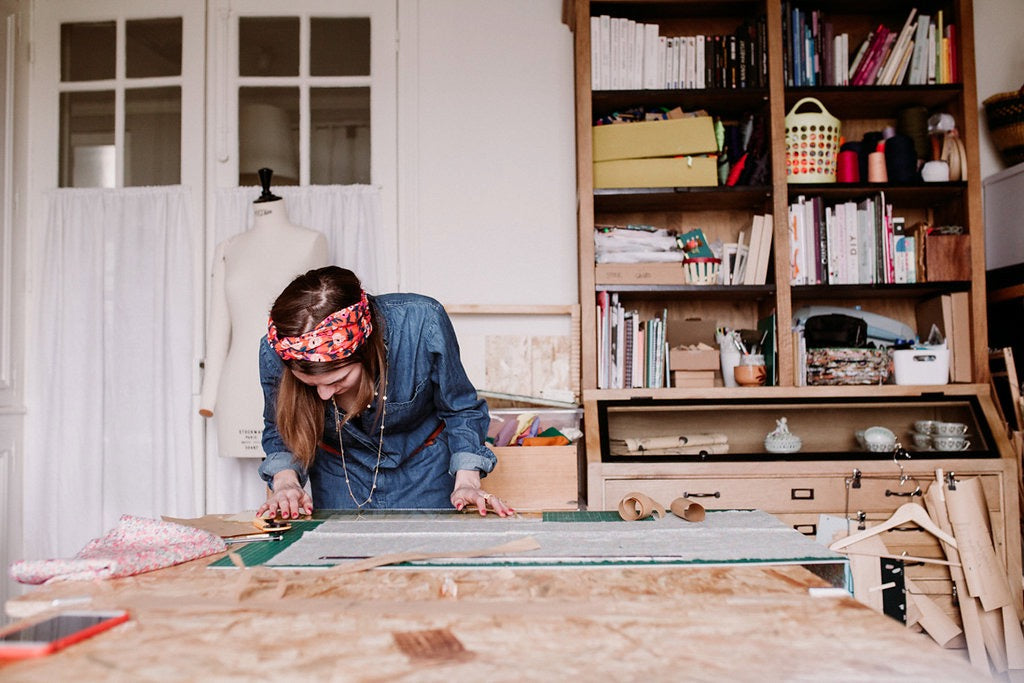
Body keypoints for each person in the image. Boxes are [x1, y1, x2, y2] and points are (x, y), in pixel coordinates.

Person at [256, 266, 513, 517]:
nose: (324, 395)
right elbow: (281, 429)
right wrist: (286, 482)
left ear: (366, 348)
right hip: (339, 472)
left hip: (423, 468)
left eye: (338, 379)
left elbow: (461, 409)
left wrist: (467, 481)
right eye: (311, 385)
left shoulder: (424, 322)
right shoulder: (275, 350)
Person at [199, 172, 328, 459]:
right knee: (271, 468)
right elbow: (219, 327)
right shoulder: (229, 248)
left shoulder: (311, 242)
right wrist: (209, 397)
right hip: (238, 379)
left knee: (285, 464)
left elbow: (322, 322)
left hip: (289, 377)